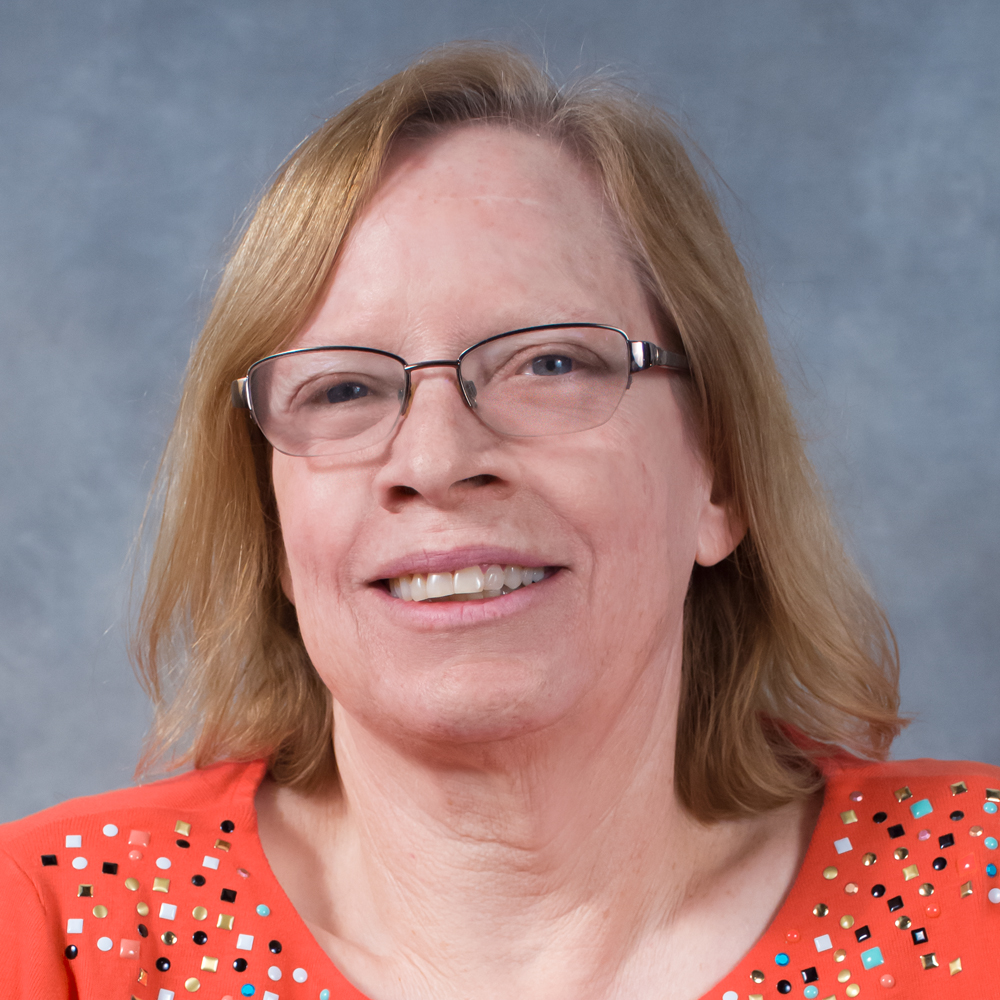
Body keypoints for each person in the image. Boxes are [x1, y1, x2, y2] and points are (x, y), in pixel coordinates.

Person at [1, 43, 997, 1000]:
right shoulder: (50, 925)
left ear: (720, 473)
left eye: (548, 364)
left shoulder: (978, 894)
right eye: (344, 388)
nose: (434, 461)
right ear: (270, 514)